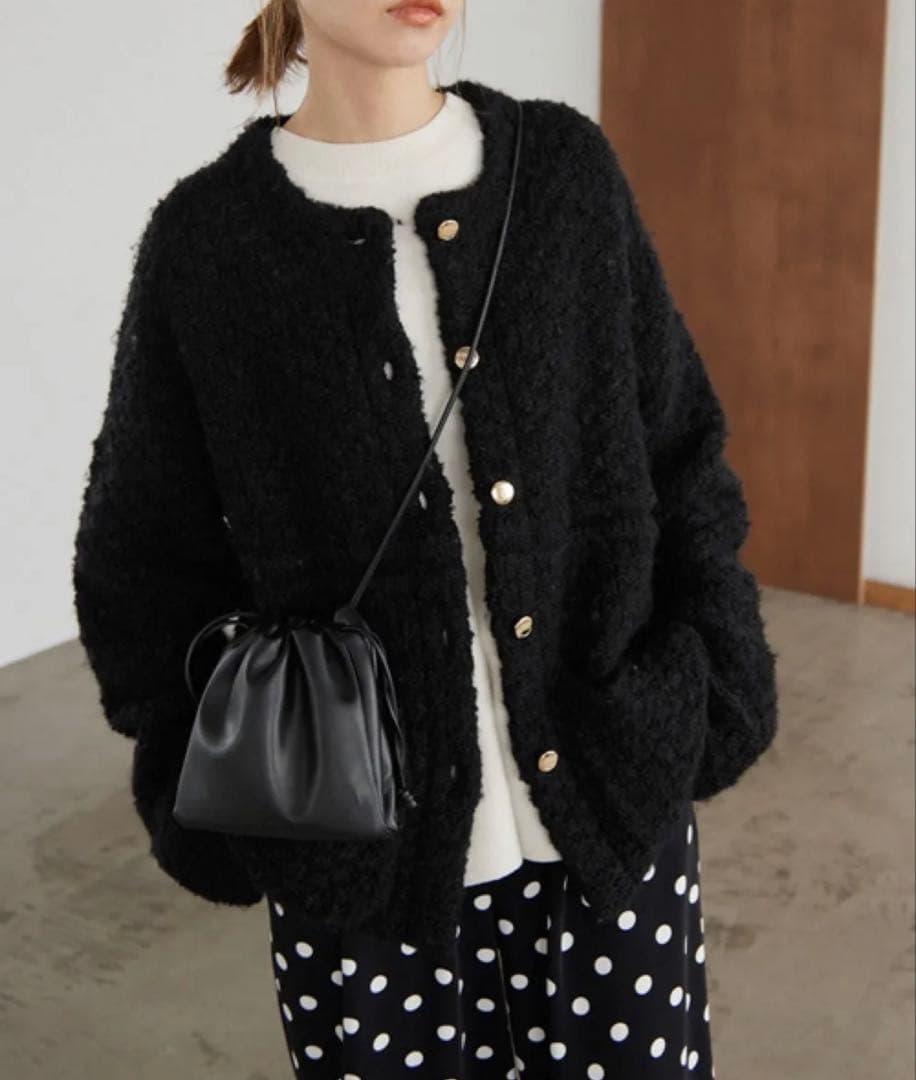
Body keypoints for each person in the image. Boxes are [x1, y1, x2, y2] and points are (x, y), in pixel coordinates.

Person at [71, 1, 779, 1076]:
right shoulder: (208, 244)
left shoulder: (562, 174)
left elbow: (678, 452)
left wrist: (707, 672)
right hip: (359, 866)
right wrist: (210, 777)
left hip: (606, 808)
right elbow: (138, 560)